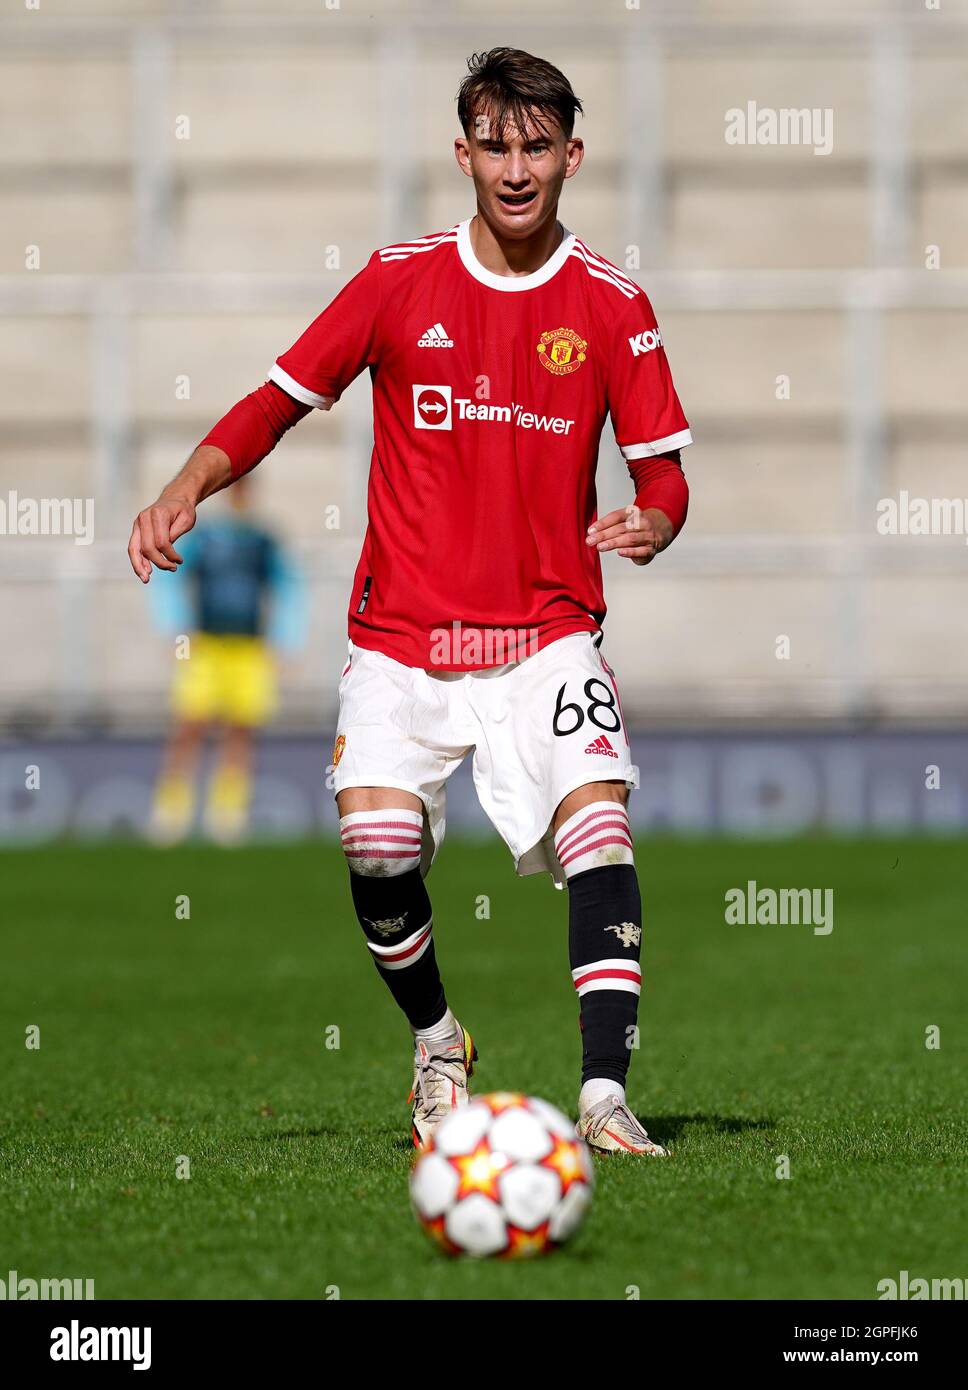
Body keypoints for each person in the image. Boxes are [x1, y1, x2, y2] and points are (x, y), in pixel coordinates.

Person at [127, 47, 692, 1156]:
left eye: (537, 146)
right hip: (403, 637)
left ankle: (601, 1096)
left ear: (571, 155)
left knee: (598, 824)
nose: (515, 167)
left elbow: (663, 471)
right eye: (495, 144)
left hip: (545, 632)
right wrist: (185, 487)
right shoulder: (397, 281)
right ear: (462, 153)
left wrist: (655, 519)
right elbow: (277, 397)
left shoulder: (613, 307)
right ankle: (438, 1040)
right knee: (376, 842)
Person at [148, 477, 305, 844]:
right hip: (206, 645)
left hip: (249, 648)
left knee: (241, 729)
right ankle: (172, 810)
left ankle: (227, 814)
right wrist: (175, 628)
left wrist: (285, 641)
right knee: (190, 724)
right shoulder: (205, 538)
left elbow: (288, 589)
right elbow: (171, 579)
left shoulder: (264, 541)